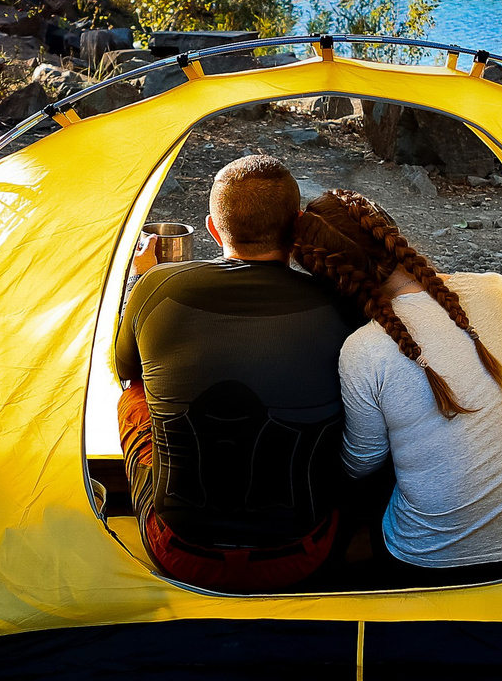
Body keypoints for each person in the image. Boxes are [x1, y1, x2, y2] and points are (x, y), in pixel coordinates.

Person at [291, 189, 502, 585]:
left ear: (333, 281)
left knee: (348, 517)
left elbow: (360, 464)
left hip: (430, 558)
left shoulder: (364, 350)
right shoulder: (499, 290)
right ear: (389, 231)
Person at [112, 155, 357, 591]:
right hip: (305, 552)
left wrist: (147, 281)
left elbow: (126, 371)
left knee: (135, 394)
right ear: (297, 225)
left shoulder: (155, 286)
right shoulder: (338, 300)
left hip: (179, 551)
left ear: (211, 228)